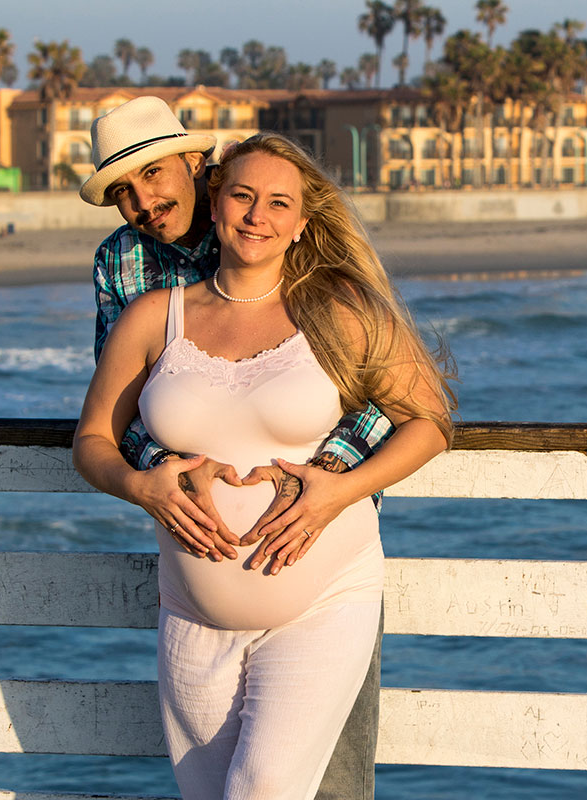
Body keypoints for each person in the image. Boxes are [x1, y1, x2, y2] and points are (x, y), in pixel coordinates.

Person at [73, 131, 454, 798]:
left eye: (279, 203)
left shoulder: (338, 308)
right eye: (243, 196)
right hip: (191, 614)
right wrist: (142, 484)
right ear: (217, 201)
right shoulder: (151, 313)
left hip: (320, 600)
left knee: (263, 788)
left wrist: (341, 490)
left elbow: (430, 422)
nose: (257, 215)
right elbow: (93, 441)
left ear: (303, 222)